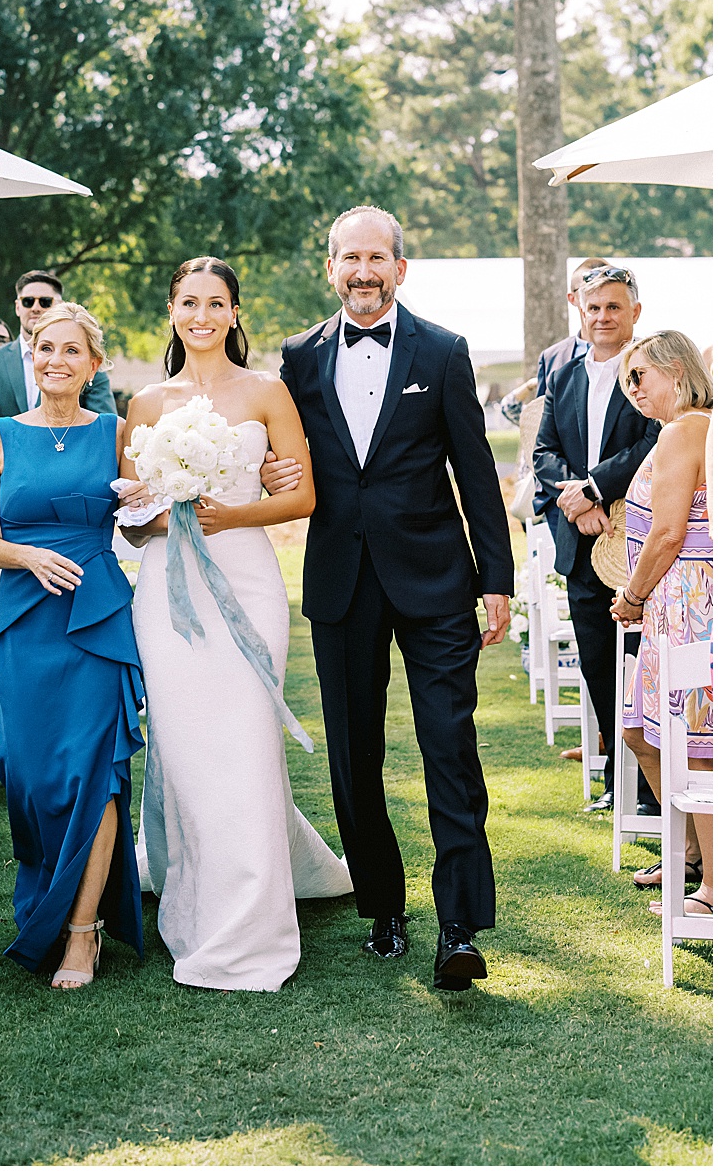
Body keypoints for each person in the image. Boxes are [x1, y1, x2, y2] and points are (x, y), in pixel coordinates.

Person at [274, 205, 514, 992]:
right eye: (351, 257)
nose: (364, 270)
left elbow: (477, 473)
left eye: (378, 257)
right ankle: (382, 905)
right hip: (341, 580)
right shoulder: (298, 358)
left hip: (436, 579)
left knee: (449, 746)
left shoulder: (442, 350)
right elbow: (282, 455)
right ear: (331, 267)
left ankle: (459, 926)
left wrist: (497, 579)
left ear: (400, 269)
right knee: (353, 753)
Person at [121, 258, 350, 993]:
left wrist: (230, 511)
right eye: (189, 301)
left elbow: (304, 494)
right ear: (171, 309)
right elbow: (129, 522)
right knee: (186, 744)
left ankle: (252, 922)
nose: (202, 315)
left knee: (247, 739)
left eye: (215, 303)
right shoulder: (147, 402)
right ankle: (195, 897)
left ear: (234, 311)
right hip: (167, 589)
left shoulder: (266, 391)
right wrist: (167, 512)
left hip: (248, 581)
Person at [0, 302, 143, 988]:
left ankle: (82, 931)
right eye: (44, 349)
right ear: (29, 359)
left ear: (95, 365)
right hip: (26, 617)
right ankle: (50, 900)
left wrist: (161, 499)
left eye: (72, 351)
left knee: (94, 773)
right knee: (28, 774)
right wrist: (27, 555)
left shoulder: (117, 431)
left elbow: (142, 526)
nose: (56, 360)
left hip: (96, 616)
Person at [533, 264, 659, 812]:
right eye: (593, 308)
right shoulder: (562, 371)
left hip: (639, 543)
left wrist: (594, 487)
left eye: (614, 306)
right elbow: (543, 452)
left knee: (643, 665)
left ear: (635, 312)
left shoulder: (655, 370)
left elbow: (656, 442)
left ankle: (656, 791)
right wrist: (575, 500)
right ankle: (618, 783)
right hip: (581, 544)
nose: (602, 316)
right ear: (578, 312)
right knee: (598, 665)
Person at [610, 331, 712, 914]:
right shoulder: (691, 428)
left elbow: (669, 532)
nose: (633, 390)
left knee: (696, 744)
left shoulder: (683, 431)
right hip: (674, 603)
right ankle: (695, 852)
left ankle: (711, 889)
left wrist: (633, 593)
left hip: (684, 604)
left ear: (675, 369)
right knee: (642, 733)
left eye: (640, 375)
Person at [0, 270, 115, 435]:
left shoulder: (85, 363)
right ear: (18, 307)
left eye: (45, 302)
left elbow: (105, 432)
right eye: (28, 302)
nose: (35, 308)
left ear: (60, 306)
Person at [533, 257, 611, 395]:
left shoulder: (640, 354)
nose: (597, 295)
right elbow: (542, 410)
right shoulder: (551, 357)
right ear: (572, 298)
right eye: (587, 289)